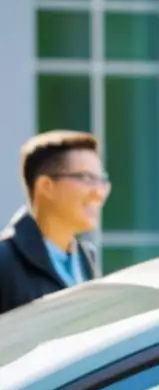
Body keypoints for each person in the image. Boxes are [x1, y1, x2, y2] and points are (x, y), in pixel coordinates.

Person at [0, 130, 109, 315]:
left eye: (102, 181)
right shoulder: (6, 261)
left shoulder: (87, 259)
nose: (100, 193)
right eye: (87, 178)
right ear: (46, 187)